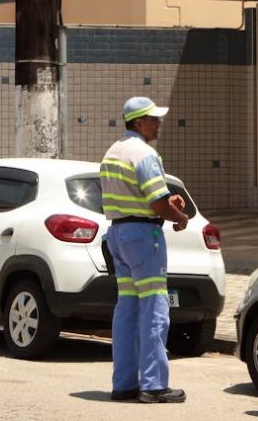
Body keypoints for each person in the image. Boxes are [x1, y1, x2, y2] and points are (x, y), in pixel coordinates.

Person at [101, 96, 190, 404]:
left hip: (118, 235)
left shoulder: (112, 153)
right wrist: (180, 217)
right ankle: (153, 385)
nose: (158, 124)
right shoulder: (145, 153)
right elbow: (156, 203)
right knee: (155, 309)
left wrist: (165, 205)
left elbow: (143, 199)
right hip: (143, 236)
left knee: (126, 308)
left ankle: (123, 384)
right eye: (153, 119)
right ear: (139, 122)